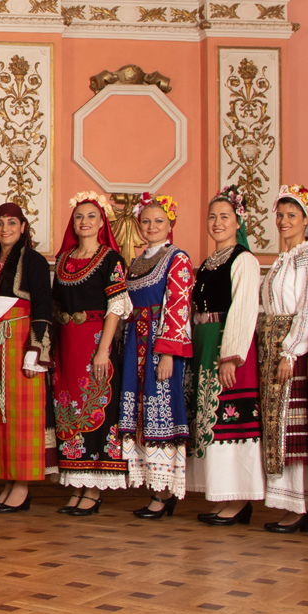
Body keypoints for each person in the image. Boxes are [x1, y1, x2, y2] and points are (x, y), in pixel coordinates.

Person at [186, 187, 265, 525]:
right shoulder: (206, 264)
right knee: (211, 421)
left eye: (224, 217)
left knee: (231, 420)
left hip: (227, 346)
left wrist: (231, 355)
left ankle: (239, 498)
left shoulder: (243, 259)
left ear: (238, 222)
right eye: (212, 217)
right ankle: (223, 495)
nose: (217, 223)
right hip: (205, 343)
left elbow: (244, 308)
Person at [50, 192, 131, 513]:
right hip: (66, 344)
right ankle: (77, 482)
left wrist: (103, 350)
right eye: (79, 217)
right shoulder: (63, 260)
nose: (84, 222)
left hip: (95, 342)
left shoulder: (111, 259)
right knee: (67, 410)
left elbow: (116, 306)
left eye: (91, 216)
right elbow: (56, 303)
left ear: (102, 223)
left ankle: (95, 488)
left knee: (97, 407)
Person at [117, 194, 192, 519]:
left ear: (170, 224)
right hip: (136, 344)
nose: (151, 227)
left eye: (158, 221)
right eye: (146, 221)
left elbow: (178, 306)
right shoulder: (136, 262)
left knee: (160, 410)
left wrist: (168, 354)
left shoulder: (177, 258)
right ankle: (151, 486)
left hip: (159, 346)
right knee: (139, 414)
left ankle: (163, 492)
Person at [258, 185, 308, 533]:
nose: (284, 221)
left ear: (306, 219)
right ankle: (286, 503)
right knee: (278, 425)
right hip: (273, 344)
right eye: (280, 215)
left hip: (289, 348)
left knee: (292, 425)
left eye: (292, 216)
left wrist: (291, 351)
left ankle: (300, 505)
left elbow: (307, 309)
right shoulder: (285, 257)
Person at [0, 202, 54, 513]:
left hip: (20, 342)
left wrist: (35, 351)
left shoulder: (35, 262)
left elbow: (43, 307)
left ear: (23, 227)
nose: (5, 228)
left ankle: (22, 485)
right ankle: (8, 481)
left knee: (22, 416)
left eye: (12, 222)